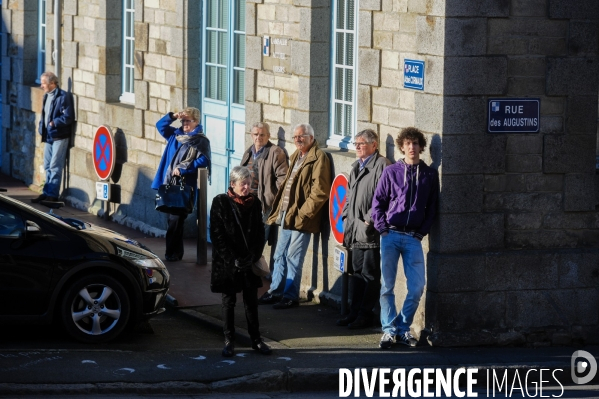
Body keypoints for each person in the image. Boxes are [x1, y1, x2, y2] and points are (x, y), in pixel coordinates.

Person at [371, 127, 439, 348]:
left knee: (418, 286)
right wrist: (382, 229)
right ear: (402, 146)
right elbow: (378, 203)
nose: (412, 147)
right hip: (390, 234)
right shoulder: (391, 172)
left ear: (421, 147)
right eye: (408, 144)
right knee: (387, 286)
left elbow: (432, 208)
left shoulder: (429, 174)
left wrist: (421, 232)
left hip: (412, 237)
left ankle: (403, 327)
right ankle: (389, 331)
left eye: (416, 144)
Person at [259, 123, 332, 309]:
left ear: (311, 138)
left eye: (302, 136)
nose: (298, 140)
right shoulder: (296, 156)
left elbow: (320, 191)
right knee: (279, 254)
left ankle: (290, 296)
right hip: (286, 214)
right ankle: (276, 291)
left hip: (301, 217)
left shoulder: (319, 158)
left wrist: (303, 214)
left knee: (293, 257)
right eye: (296, 137)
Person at [210, 166, 272, 357]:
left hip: (248, 261)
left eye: (249, 184)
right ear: (233, 184)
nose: (247, 188)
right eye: (243, 184)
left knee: (251, 302)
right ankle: (229, 341)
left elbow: (260, 234)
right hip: (228, 263)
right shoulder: (220, 202)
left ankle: (256, 340)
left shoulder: (255, 203)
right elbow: (217, 235)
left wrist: (253, 256)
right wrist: (232, 259)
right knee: (228, 302)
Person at [338, 129, 390, 329]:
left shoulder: (382, 165)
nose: (357, 147)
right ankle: (354, 312)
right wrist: (345, 216)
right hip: (354, 228)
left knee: (369, 274)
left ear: (374, 145)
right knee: (356, 273)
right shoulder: (356, 166)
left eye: (361, 143)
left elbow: (384, 197)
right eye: (355, 143)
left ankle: (365, 314)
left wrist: (369, 220)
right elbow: (349, 195)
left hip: (369, 231)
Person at [152, 108, 211, 262]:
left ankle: (171, 253)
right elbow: (160, 126)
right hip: (170, 184)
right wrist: (173, 116)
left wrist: (185, 168)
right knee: (173, 220)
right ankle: (175, 253)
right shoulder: (175, 135)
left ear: (196, 122)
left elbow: (203, 160)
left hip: (184, 186)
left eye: (188, 121)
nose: (185, 124)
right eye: (183, 121)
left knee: (175, 220)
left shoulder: (201, 141)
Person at [240, 122, 288, 274]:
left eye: (262, 134)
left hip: (264, 206)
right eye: (256, 134)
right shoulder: (249, 152)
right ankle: (249, 270)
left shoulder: (275, 152)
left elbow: (283, 179)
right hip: (245, 203)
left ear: (268, 136)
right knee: (245, 238)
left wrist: (275, 200)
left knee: (258, 241)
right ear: (251, 135)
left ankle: (255, 272)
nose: (258, 137)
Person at [32, 71, 75, 203]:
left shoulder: (63, 96)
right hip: (48, 136)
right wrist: (41, 126)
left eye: (43, 83)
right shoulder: (46, 96)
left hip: (59, 136)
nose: (41, 86)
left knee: (55, 166)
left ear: (52, 83)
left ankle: (53, 195)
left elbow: (68, 117)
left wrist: (53, 123)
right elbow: (44, 114)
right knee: (47, 165)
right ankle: (46, 192)